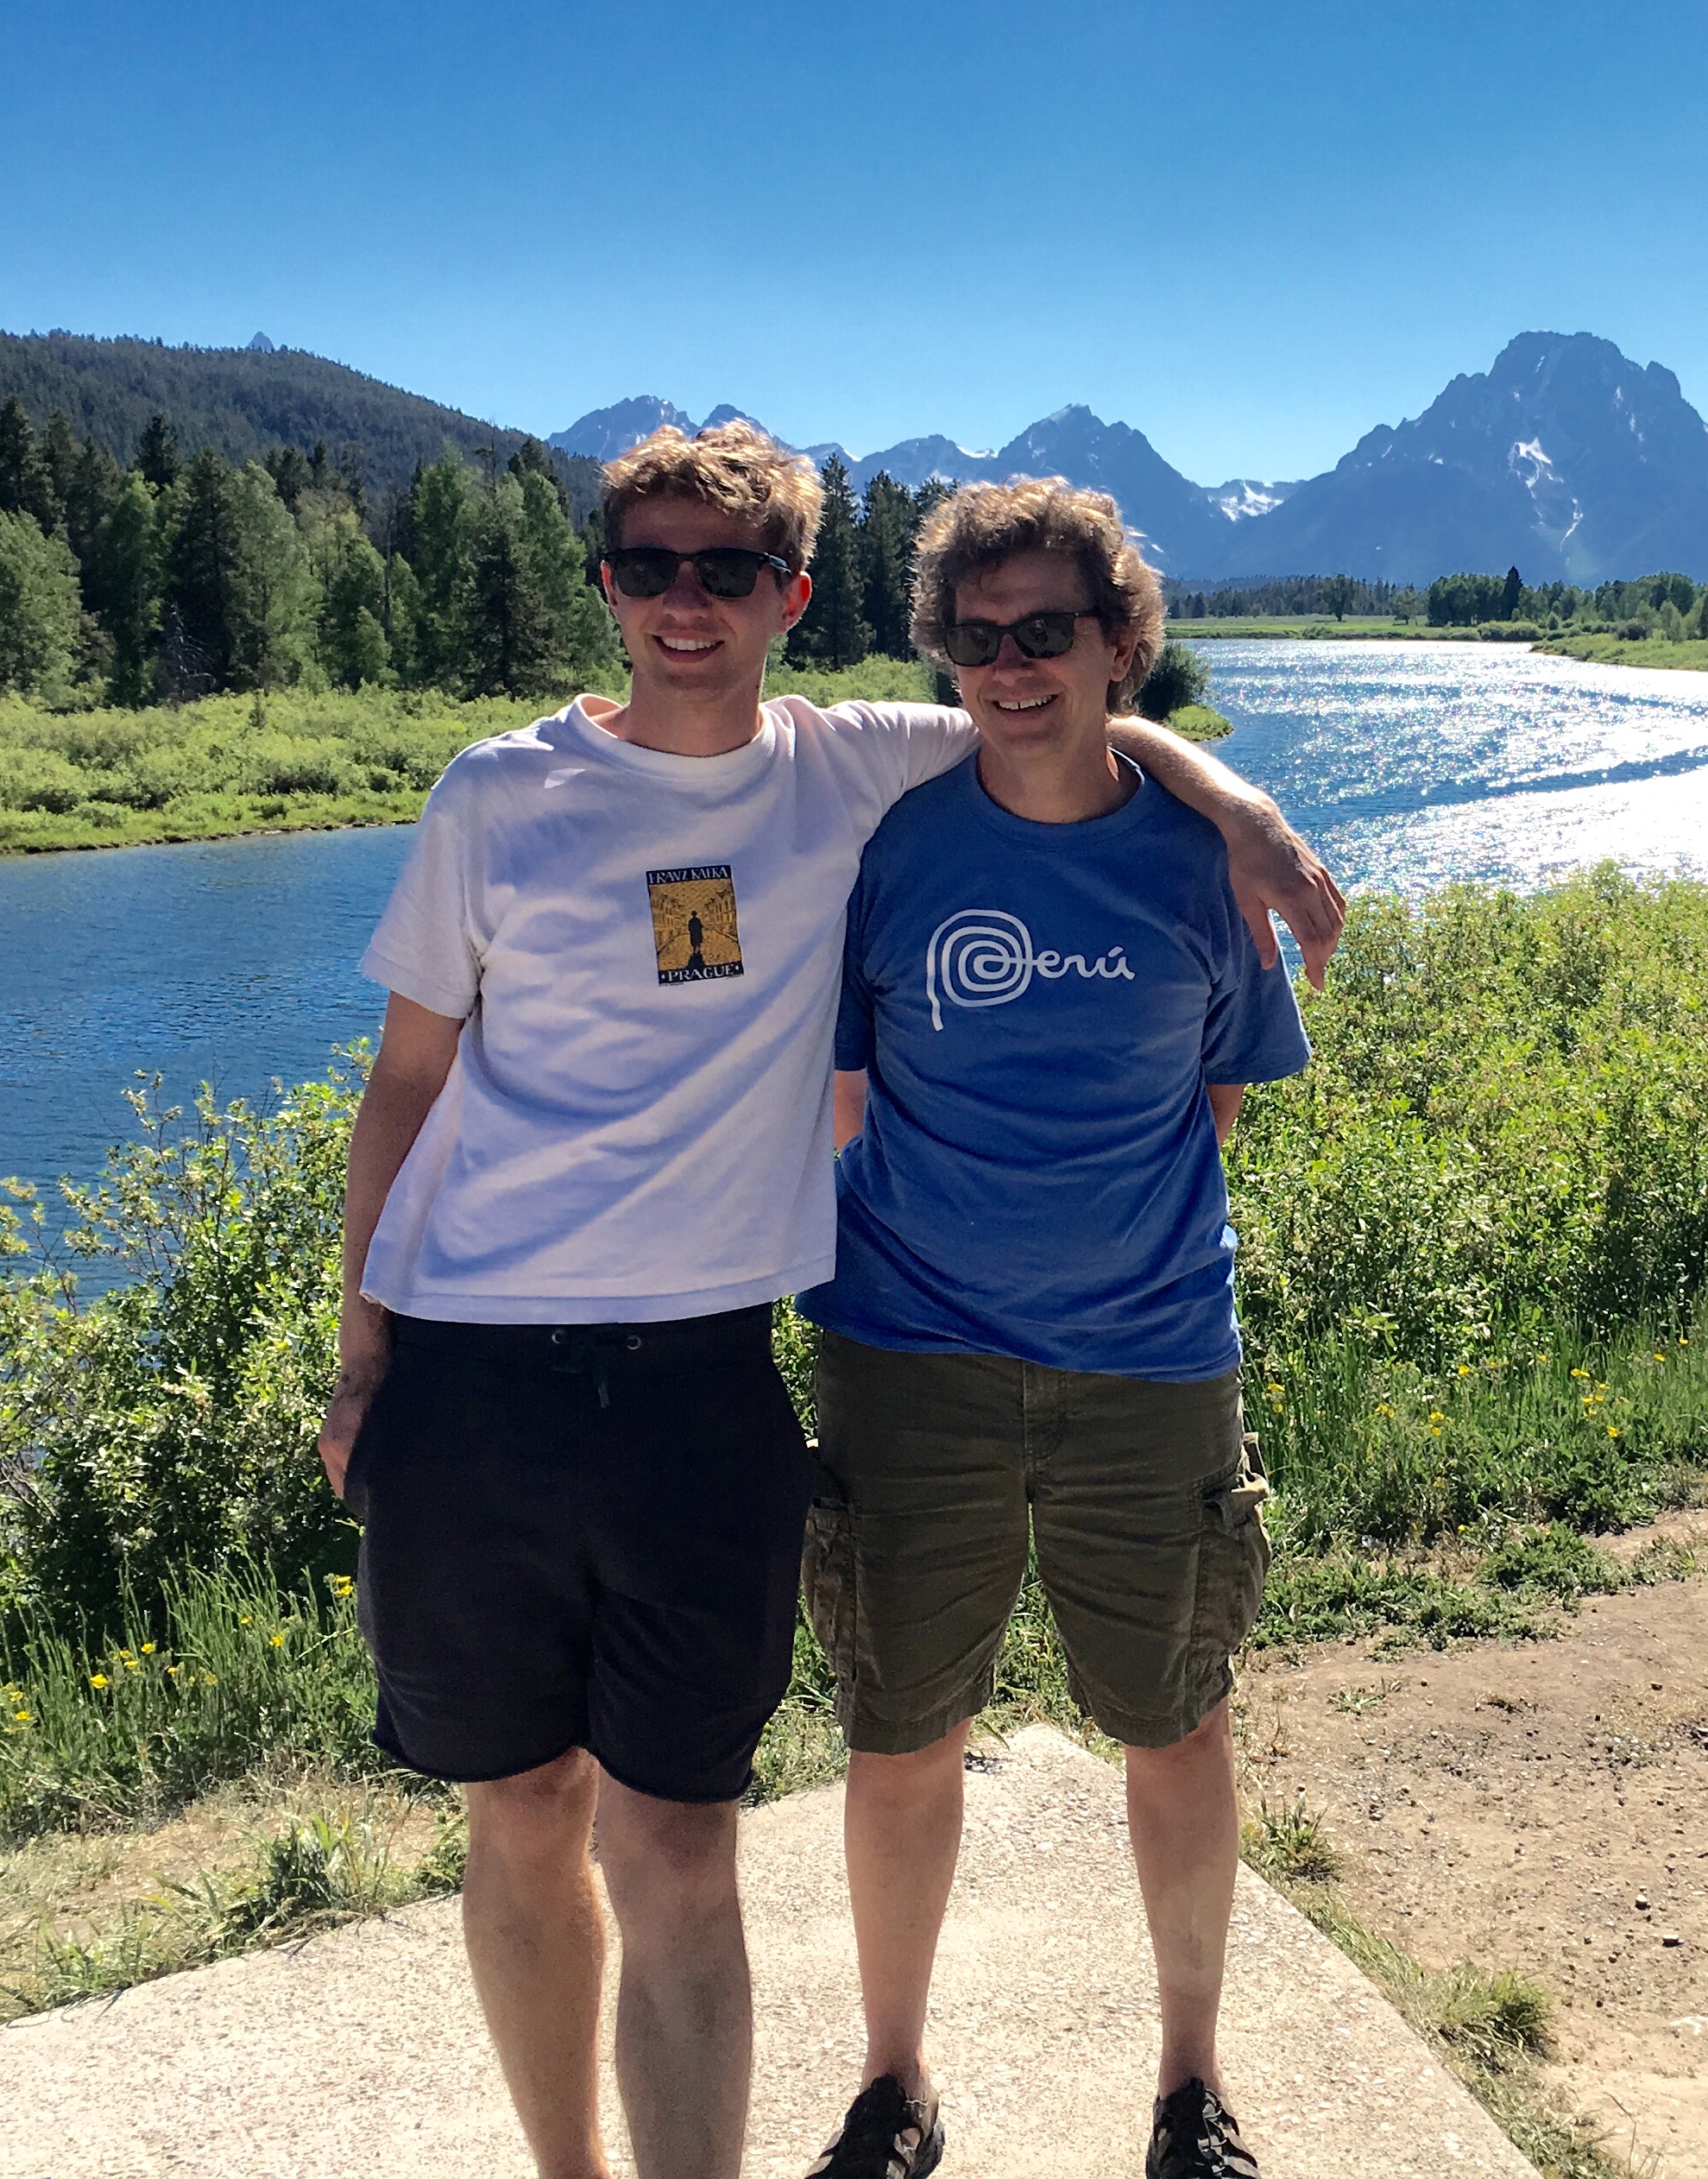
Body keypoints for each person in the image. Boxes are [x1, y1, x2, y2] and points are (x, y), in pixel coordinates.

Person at [322, 426, 1338, 2179]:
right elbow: (406, 1088)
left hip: (736, 1380)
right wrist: (361, 1352)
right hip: (532, 1376)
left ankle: (1145, 2085)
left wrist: (1240, 809)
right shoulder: (515, 798)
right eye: (648, 568)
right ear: (608, 588)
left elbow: (1098, 761)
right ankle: (725, 2130)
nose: (685, 603)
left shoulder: (854, 773)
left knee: (697, 1838)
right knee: (551, 1804)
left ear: (791, 595)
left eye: (726, 571)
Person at [803, 477, 1307, 2179]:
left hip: (1153, 1363)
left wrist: (1217, 789)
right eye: (978, 635)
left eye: (1048, 633)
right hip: (907, 1355)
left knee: (1172, 1723)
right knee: (900, 1731)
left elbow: (1221, 1091)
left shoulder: (1202, 865)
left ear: (1118, 648)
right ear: (947, 654)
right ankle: (893, 2083)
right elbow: (843, 1081)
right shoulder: (893, 843)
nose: (1011, 668)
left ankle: (1189, 2086)